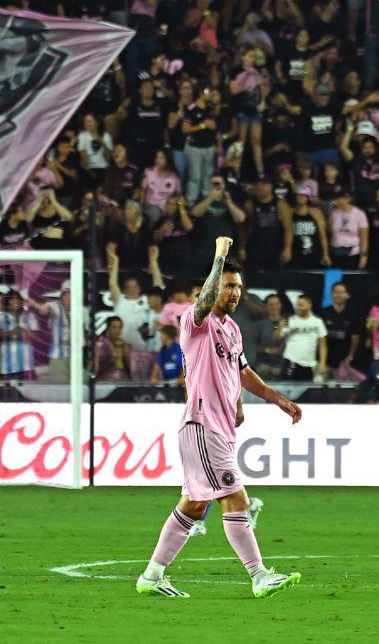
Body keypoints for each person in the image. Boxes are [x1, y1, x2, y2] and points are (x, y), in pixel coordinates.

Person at [136, 237, 302, 600]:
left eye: (239, 287)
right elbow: (205, 301)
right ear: (212, 288)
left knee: (194, 506)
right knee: (235, 498)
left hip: (219, 428)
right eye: (228, 285)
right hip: (202, 425)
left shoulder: (233, 329)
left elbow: (241, 372)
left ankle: (152, 575)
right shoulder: (195, 322)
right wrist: (219, 257)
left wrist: (276, 399)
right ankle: (259, 575)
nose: (235, 292)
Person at [277, 294, 328, 381]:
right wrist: (280, 327)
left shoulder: (317, 322)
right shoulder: (291, 320)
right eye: (297, 305)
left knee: (304, 390)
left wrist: (322, 363)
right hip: (291, 360)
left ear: (309, 306)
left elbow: (323, 345)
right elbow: (278, 337)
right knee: (287, 389)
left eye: (301, 305)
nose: (298, 307)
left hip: (309, 364)